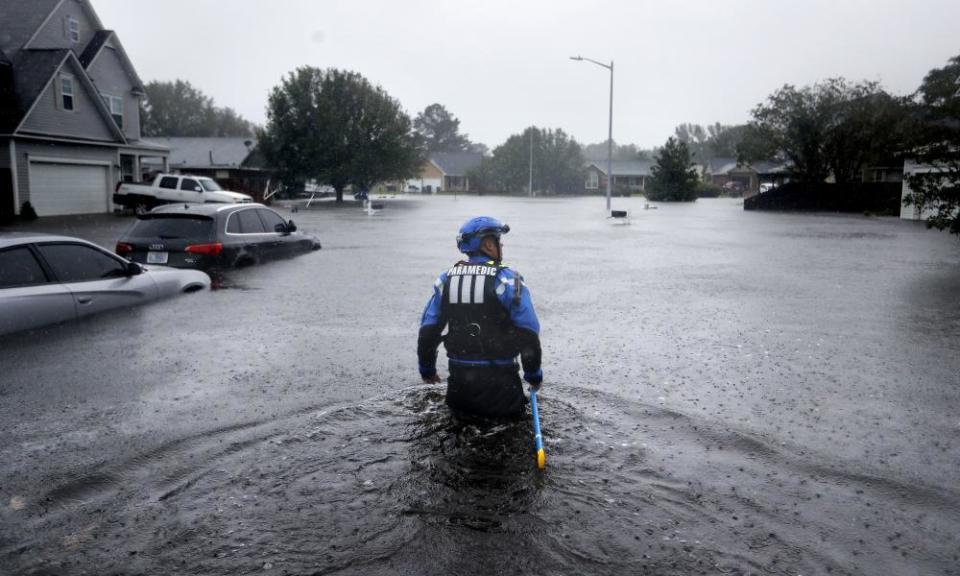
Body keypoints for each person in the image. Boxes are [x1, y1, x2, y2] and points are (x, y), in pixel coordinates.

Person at [418, 216, 543, 418]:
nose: (501, 244)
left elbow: (428, 330)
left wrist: (427, 370)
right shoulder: (508, 281)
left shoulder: (446, 280)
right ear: (487, 244)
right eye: (497, 239)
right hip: (501, 390)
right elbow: (528, 333)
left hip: (459, 388)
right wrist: (534, 376)